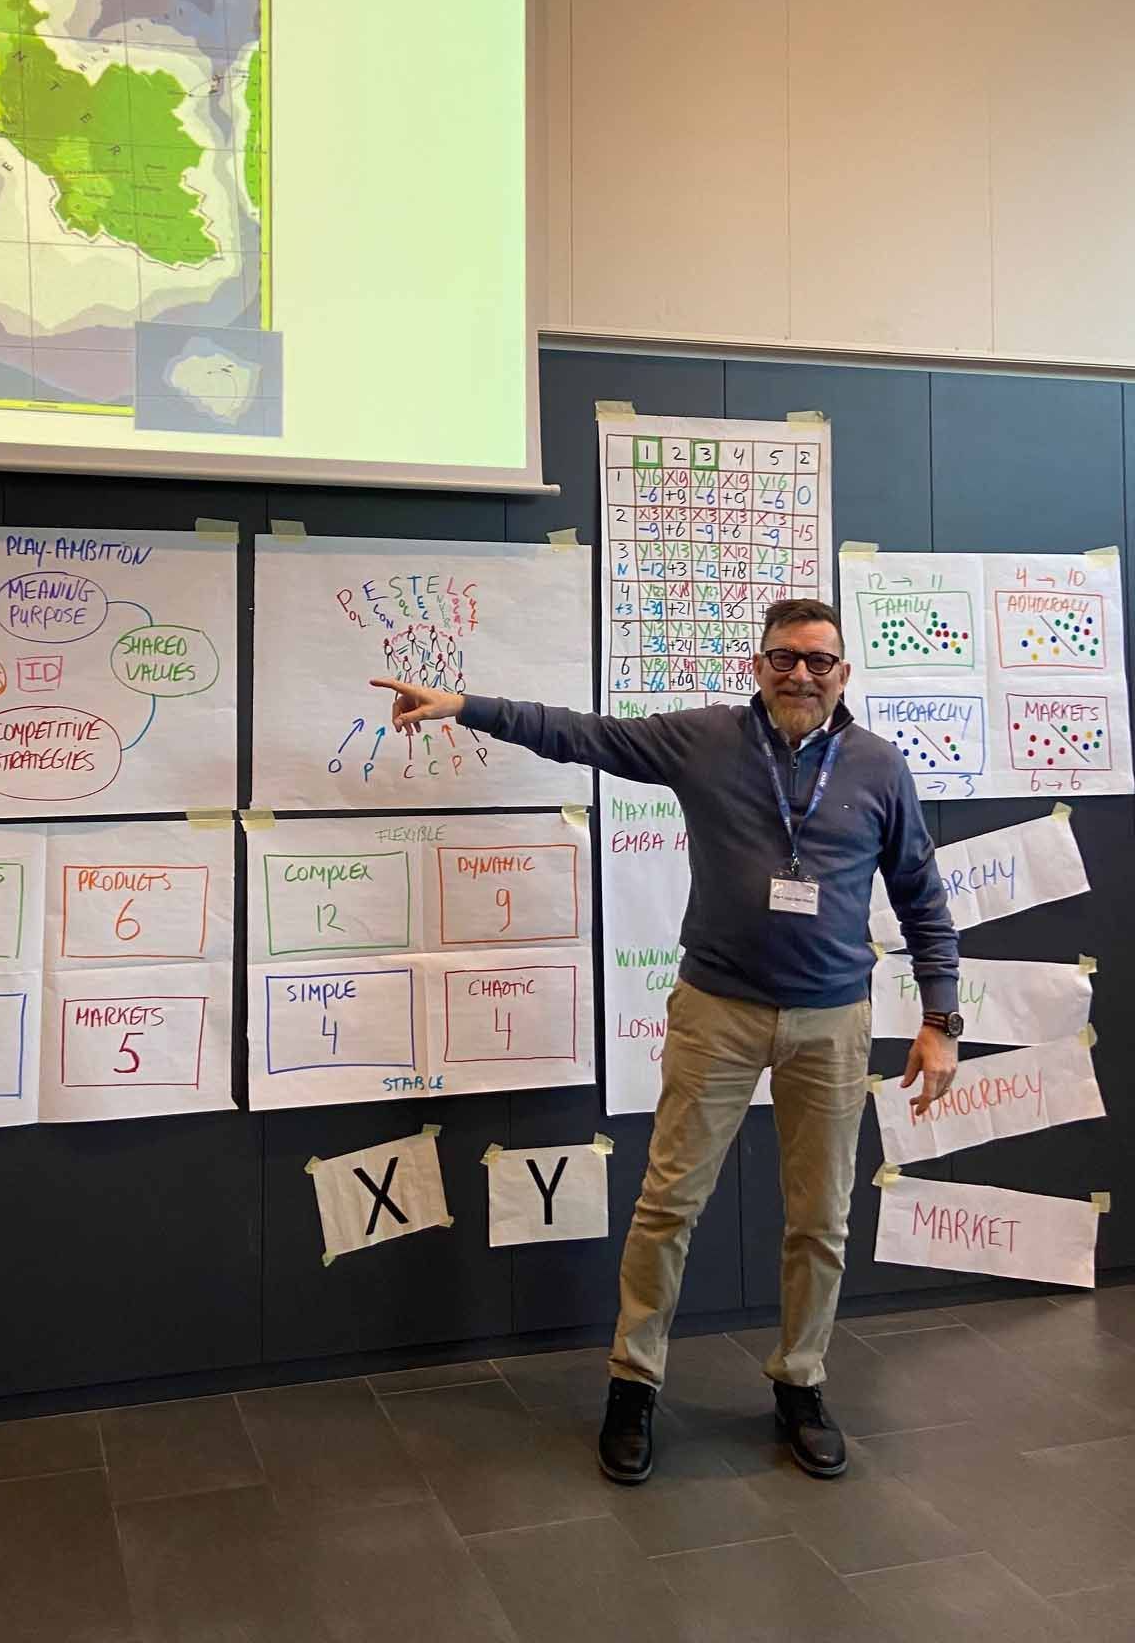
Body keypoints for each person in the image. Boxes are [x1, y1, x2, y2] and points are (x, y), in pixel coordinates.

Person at [373, 598, 961, 1485]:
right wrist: (465, 706)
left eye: (819, 661)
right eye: (784, 658)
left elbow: (921, 894)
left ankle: (801, 1381)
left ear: (843, 673)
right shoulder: (706, 741)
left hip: (833, 1023)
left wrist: (940, 1018)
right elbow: (582, 734)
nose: (801, 675)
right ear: (757, 666)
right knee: (668, 1206)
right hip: (717, 1011)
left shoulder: (878, 766)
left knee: (822, 1218)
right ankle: (634, 1384)